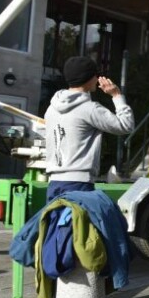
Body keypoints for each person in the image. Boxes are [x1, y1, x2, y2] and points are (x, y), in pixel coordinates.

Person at [45, 56, 135, 201]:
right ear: (88, 78)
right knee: (77, 223)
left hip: (54, 182)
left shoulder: (51, 109)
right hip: (79, 183)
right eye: (96, 75)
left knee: (55, 223)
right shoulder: (90, 109)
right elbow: (126, 125)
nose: (97, 78)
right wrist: (116, 95)